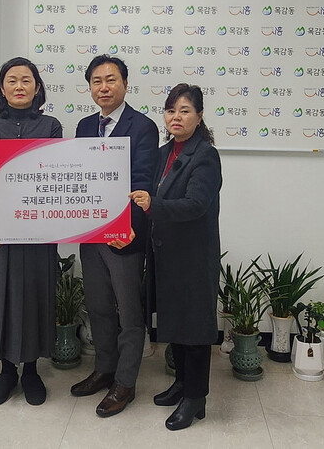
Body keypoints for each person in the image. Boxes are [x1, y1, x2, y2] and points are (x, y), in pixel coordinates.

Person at [0, 57, 63, 406]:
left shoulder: (51, 126)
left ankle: (32, 369)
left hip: (38, 227)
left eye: (26, 80)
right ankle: (7, 370)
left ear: (37, 88)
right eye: (12, 80)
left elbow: (56, 175)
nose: (19, 86)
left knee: (36, 293)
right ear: (2, 88)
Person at [129, 83, 222, 431]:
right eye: (171, 111)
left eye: (185, 111)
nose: (176, 117)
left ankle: (196, 399)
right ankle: (182, 384)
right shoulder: (163, 152)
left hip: (193, 258)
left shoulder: (205, 155)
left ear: (199, 116)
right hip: (166, 255)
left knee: (194, 330)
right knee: (177, 326)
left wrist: (154, 205)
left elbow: (196, 204)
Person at [71, 55, 159, 417]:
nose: (104, 87)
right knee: (99, 307)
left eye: (111, 80)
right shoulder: (84, 126)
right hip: (92, 234)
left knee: (129, 312)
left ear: (125, 84)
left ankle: (125, 382)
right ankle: (105, 369)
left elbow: (144, 181)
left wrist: (129, 227)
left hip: (124, 236)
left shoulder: (143, 127)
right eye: (97, 81)